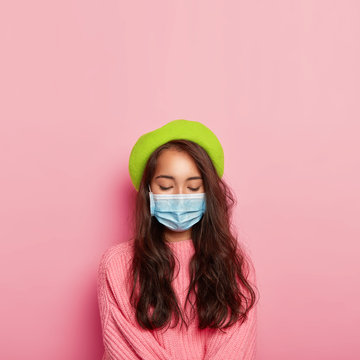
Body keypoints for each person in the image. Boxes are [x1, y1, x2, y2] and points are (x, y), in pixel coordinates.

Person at [97, 119, 259, 360]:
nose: (180, 197)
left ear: (209, 195)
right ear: (149, 192)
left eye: (193, 188)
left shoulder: (235, 264)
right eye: (166, 186)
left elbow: (235, 348)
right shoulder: (117, 265)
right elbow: (127, 350)